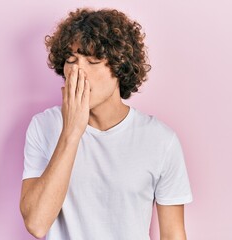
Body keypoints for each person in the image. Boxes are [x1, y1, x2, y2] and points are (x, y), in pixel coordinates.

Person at [19, 7, 193, 240]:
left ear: (120, 67)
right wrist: (71, 132)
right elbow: (36, 224)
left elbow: (173, 234)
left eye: (92, 61)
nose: (78, 72)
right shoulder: (44, 126)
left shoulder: (161, 140)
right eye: (71, 60)